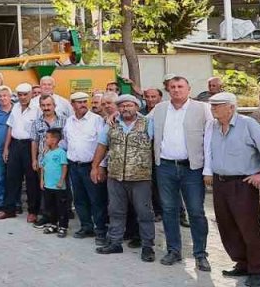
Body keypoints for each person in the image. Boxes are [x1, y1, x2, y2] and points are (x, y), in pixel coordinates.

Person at [203, 92, 260, 287]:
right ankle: (242, 262)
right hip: (221, 183)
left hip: (242, 183)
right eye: (212, 106)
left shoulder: (248, 124)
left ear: (231, 107)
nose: (213, 109)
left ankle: (257, 269)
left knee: (248, 226)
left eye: (217, 106)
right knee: (226, 225)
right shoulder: (212, 125)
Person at [152, 75, 212, 271]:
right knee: (169, 211)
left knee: (196, 212)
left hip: (192, 168)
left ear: (188, 89)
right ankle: (173, 251)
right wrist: (114, 116)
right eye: (172, 87)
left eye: (180, 86)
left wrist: (208, 169)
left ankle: (200, 254)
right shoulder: (160, 109)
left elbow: (212, 136)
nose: (176, 90)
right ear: (168, 90)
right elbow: (141, 123)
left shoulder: (202, 109)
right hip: (166, 167)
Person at [92, 95, 157, 262]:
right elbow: (102, 145)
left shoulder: (148, 123)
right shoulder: (111, 124)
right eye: (122, 106)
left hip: (140, 177)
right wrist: (95, 166)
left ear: (136, 107)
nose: (125, 109)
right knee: (115, 211)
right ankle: (115, 242)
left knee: (144, 212)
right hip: (115, 176)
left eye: (129, 105)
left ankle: (148, 246)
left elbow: (157, 145)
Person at [65, 92, 108, 243]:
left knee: (96, 199)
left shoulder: (96, 120)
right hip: (74, 166)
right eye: (79, 102)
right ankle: (86, 226)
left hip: (91, 166)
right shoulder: (69, 121)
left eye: (85, 101)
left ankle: (101, 230)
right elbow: (66, 141)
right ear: (72, 104)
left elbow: (103, 145)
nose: (83, 104)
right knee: (79, 199)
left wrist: (100, 166)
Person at [0, 83, 39, 220]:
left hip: (30, 146)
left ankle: (33, 211)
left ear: (31, 94)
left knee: (31, 179)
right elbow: (10, 128)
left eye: (25, 94)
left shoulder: (37, 110)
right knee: (12, 178)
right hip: (15, 145)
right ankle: (9, 209)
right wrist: (6, 148)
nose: (22, 97)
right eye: (20, 95)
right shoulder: (15, 108)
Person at [30, 95, 68, 225]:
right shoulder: (36, 122)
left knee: (61, 190)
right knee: (45, 190)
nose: (46, 108)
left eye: (49, 105)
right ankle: (47, 216)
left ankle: (61, 217)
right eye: (43, 106)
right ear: (40, 107)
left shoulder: (64, 120)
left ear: (54, 106)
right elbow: (34, 142)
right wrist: (34, 159)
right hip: (44, 162)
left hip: (60, 162)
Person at [38, 129, 70, 237]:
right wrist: (42, 180)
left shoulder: (61, 152)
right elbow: (43, 167)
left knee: (61, 207)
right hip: (48, 185)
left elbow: (64, 166)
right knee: (50, 207)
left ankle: (63, 226)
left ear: (55, 140)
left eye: (47, 138)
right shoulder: (47, 153)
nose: (45, 140)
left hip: (58, 187)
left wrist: (61, 180)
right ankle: (53, 224)